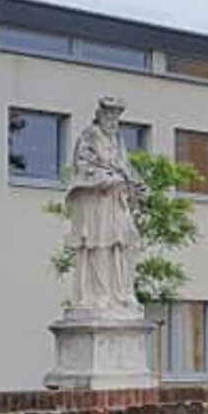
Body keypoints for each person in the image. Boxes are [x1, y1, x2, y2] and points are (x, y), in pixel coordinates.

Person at [63, 96, 143, 315]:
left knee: (123, 243)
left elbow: (126, 170)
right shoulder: (89, 136)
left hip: (117, 202)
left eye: (116, 116)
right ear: (100, 115)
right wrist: (105, 180)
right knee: (98, 244)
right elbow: (82, 168)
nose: (113, 121)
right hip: (96, 203)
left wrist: (134, 185)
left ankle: (121, 294)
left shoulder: (118, 140)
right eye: (109, 115)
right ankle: (99, 294)